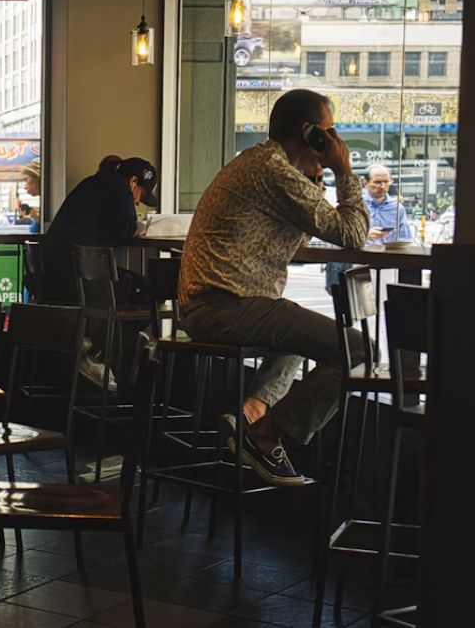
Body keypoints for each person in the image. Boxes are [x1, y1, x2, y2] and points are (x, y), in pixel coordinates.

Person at [178, 89, 369, 486]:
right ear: (311, 132)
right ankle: (266, 435)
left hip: (218, 306)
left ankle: (250, 415)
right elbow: (353, 234)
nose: (336, 141)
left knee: (296, 329)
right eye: (330, 132)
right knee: (357, 350)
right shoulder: (272, 170)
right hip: (227, 307)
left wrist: (313, 187)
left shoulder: (262, 164)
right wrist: (343, 172)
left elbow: (298, 243)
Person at [38, 156, 159, 306]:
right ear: (133, 182)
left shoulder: (93, 182)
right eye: (142, 194)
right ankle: (109, 329)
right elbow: (127, 228)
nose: (137, 202)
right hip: (77, 280)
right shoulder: (120, 190)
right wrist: (143, 227)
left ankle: (101, 329)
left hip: (53, 274)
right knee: (152, 292)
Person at [324, 163, 415, 293]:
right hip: (356, 263)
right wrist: (365, 235)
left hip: (384, 266)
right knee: (356, 306)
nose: (382, 186)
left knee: (381, 303)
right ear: (365, 182)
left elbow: (405, 238)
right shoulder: (355, 205)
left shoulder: (397, 208)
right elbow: (340, 234)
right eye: (377, 182)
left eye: (386, 182)